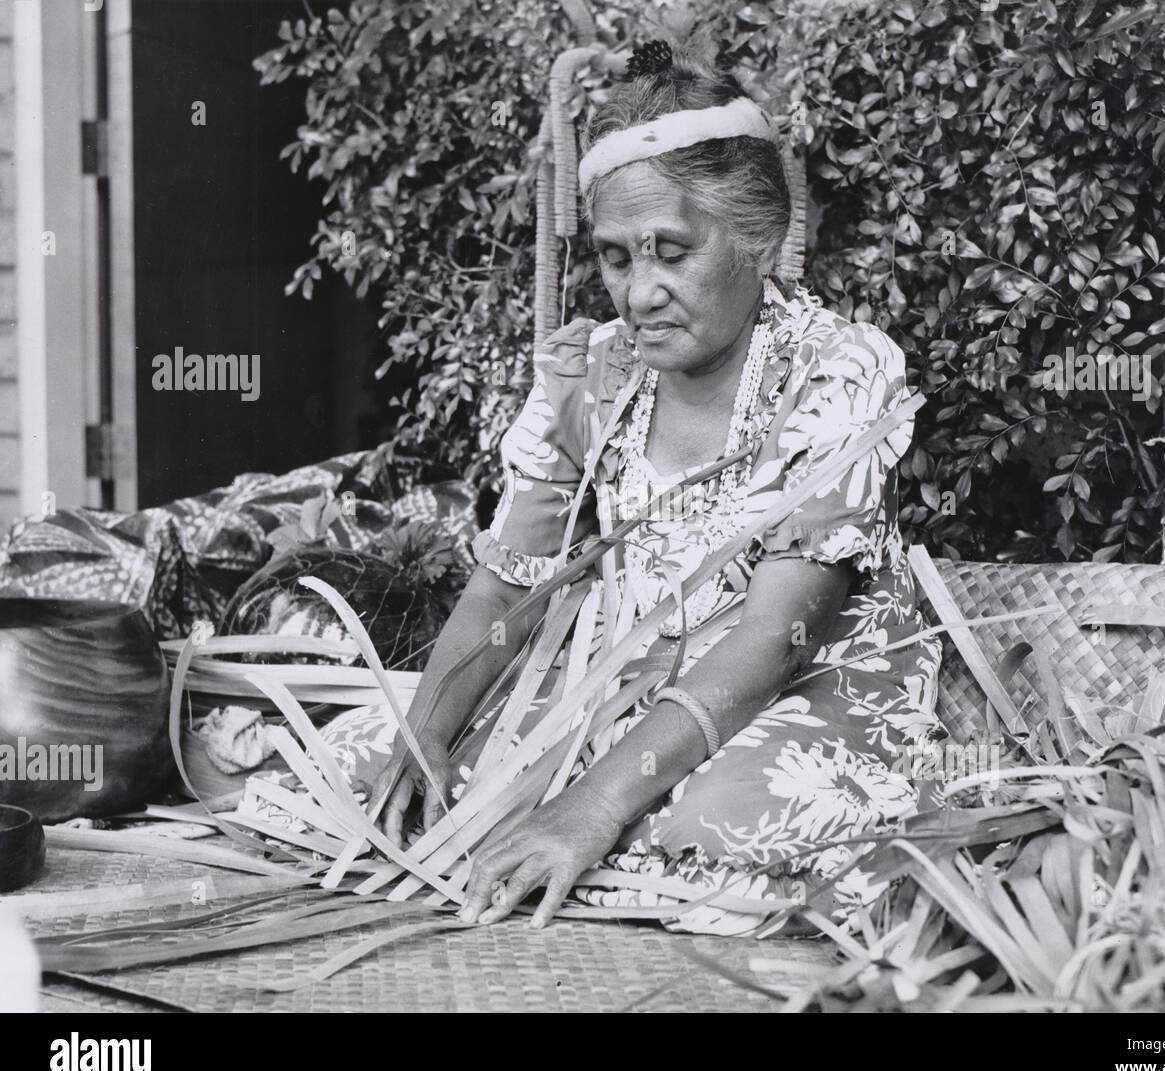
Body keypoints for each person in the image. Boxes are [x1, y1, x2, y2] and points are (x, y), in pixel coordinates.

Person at [375, 41, 943, 935]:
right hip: (636, 687)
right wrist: (429, 728)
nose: (639, 293)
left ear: (755, 236)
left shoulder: (835, 368)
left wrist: (593, 810)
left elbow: (774, 637)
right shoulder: (590, 373)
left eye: (670, 252)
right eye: (612, 259)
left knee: (719, 826)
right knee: (397, 774)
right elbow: (508, 585)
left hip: (806, 686)